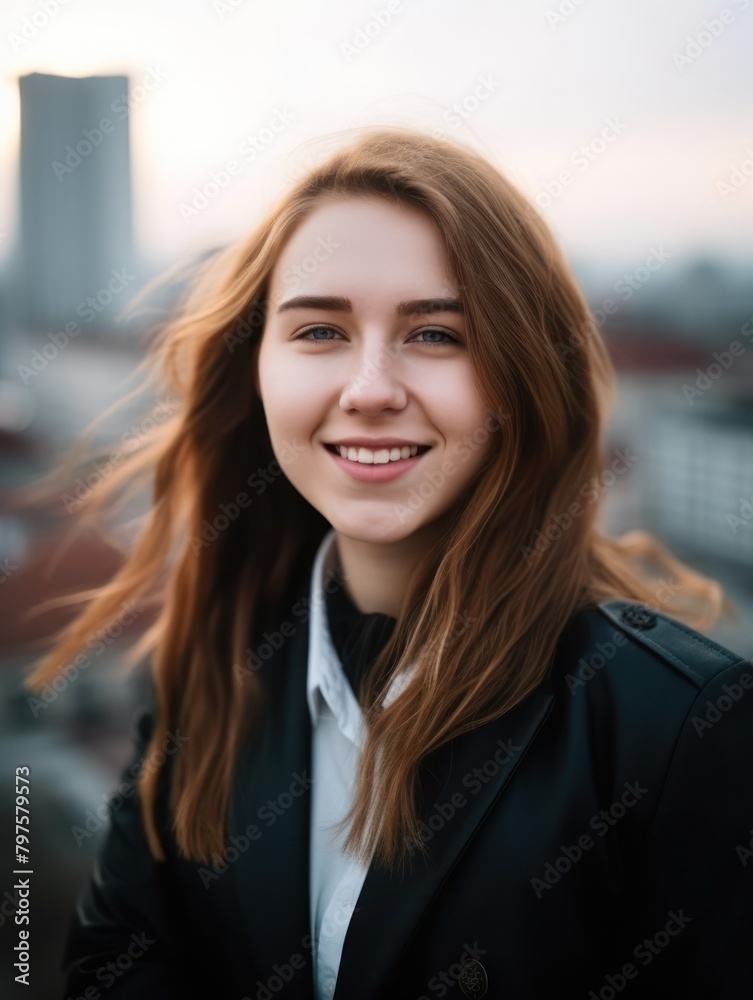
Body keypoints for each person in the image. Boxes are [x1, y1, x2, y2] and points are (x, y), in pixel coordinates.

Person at [25, 126, 753, 999]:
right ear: (254, 371)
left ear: (525, 376)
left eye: (437, 335)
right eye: (321, 330)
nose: (370, 388)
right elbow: (121, 962)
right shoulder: (211, 676)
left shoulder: (681, 730)